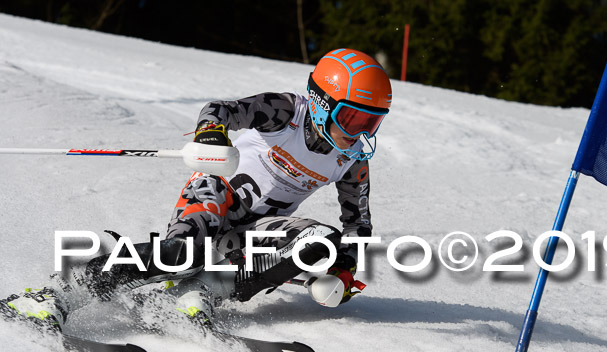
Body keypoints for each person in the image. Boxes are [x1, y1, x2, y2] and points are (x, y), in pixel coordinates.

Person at [1, 48, 393, 330]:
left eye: (371, 123)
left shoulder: (353, 158)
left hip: (255, 230)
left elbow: (357, 224)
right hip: (215, 193)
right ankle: (57, 294)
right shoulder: (287, 112)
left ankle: (206, 288)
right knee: (181, 253)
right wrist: (211, 136)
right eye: (352, 117)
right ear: (323, 102)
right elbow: (221, 110)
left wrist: (344, 265)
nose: (359, 132)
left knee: (320, 241)